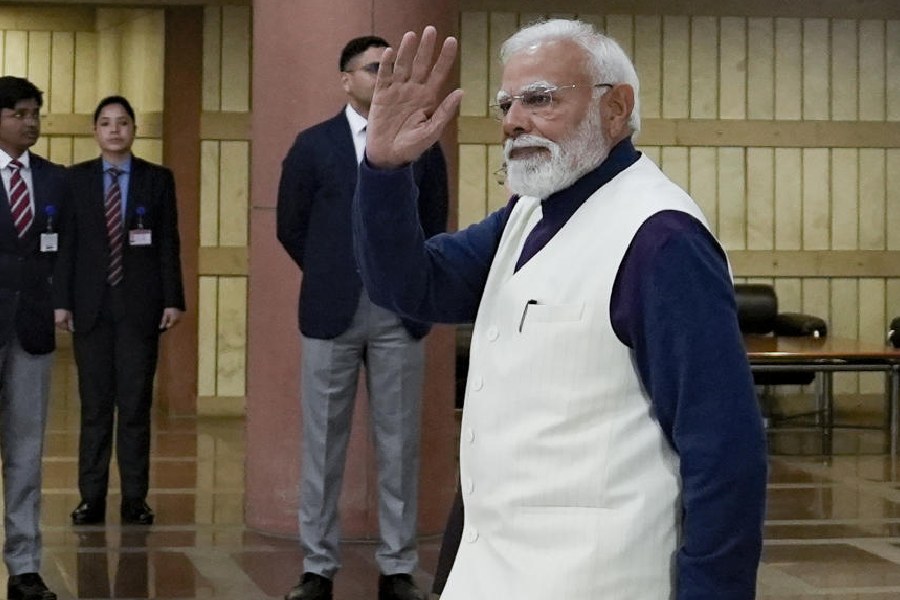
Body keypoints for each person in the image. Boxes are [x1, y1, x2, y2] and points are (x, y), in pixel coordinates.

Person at [353, 21, 768, 600]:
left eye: (540, 99)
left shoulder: (661, 239)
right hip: (495, 568)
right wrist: (385, 169)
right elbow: (411, 286)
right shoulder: (529, 212)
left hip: (598, 578)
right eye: (506, 104)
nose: (513, 121)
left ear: (615, 108)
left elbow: (724, 447)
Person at [277, 35, 448, 600]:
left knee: (399, 444)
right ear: (346, 80)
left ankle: (397, 567)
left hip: (398, 311)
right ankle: (317, 567)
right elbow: (290, 226)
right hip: (331, 311)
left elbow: (434, 221)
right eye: (375, 68)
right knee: (322, 445)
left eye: (391, 67)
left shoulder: (421, 140)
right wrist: (333, 271)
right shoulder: (313, 145)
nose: (385, 76)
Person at [53, 95, 185, 527]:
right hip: (89, 308)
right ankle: (90, 498)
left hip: (139, 308)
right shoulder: (75, 180)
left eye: (123, 122)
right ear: (95, 131)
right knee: (94, 409)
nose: (115, 130)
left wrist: (173, 298)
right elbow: (66, 247)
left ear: (134, 130)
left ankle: (134, 499)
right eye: (106, 123)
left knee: (134, 408)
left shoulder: (157, 179)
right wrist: (61, 302)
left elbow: (168, 242)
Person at [0, 75, 69, 600]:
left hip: (33, 331)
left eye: (35, 113)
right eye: (19, 113)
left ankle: (24, 566)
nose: (30, 123)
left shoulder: (54, 179)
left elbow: (68, 251)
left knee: (26, 451)